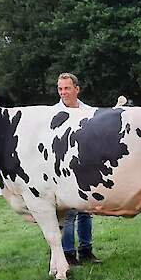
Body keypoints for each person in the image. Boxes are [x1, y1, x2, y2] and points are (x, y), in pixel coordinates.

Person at [53, 73, 100, 265]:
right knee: (69, 212)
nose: (63, 92)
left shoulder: (89, 112)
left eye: (67, 88)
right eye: (60, 89)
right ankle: (69, 254)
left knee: (86, 211)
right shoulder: (53, 114)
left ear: (76, 89)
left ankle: (86, 250)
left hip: (86, 166)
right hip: (63, 169)